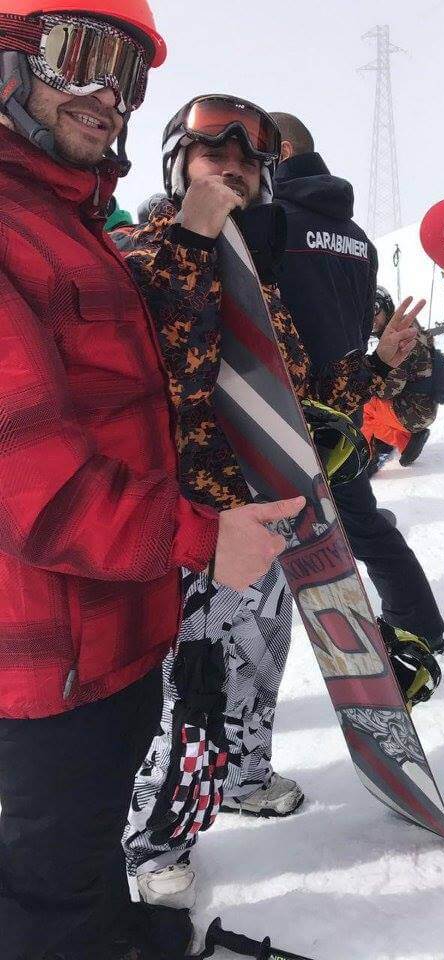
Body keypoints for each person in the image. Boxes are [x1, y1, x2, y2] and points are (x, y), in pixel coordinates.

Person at [0, 6, 304, 960]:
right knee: (49, 880)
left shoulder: (69, 225)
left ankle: (115, 925)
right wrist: (205, 539)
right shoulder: (33, 233)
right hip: (54, 647)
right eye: (79, 58)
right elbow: (33, 480)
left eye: (127, 73)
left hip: (124, 611)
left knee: (80, 844)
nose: (107, 93)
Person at [111, 94, 421, 910]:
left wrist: (380, 367)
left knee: (257, 674)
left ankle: (245, 776)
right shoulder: (140, 252)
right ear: (176, 162)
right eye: (214, 152)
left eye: (249, 158)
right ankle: (156, 844)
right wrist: (193, 235)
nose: (235, 166)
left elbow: (304, 396)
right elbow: (170, 363)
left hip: (271, 518)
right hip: (196, 530)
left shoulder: (257, 273)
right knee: (195, 695)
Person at [271, 111, 444, 651]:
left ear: (278, 155)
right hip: (344, 408)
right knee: (362, 523)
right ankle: (419, 622)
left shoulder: (270, 224)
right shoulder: (356, 237)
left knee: (264, 550)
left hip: (284, 412)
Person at [363, 285, 444, 470]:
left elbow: (387, 391)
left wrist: (365, 373)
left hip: (413, 411)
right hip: (421, 405)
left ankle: (364, 457)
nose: (371, 318)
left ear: (386, 306)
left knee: (360, 405)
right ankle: (406, 441)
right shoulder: (408, 326)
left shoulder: (401, 339)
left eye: (374, 309)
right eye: (366, 311)